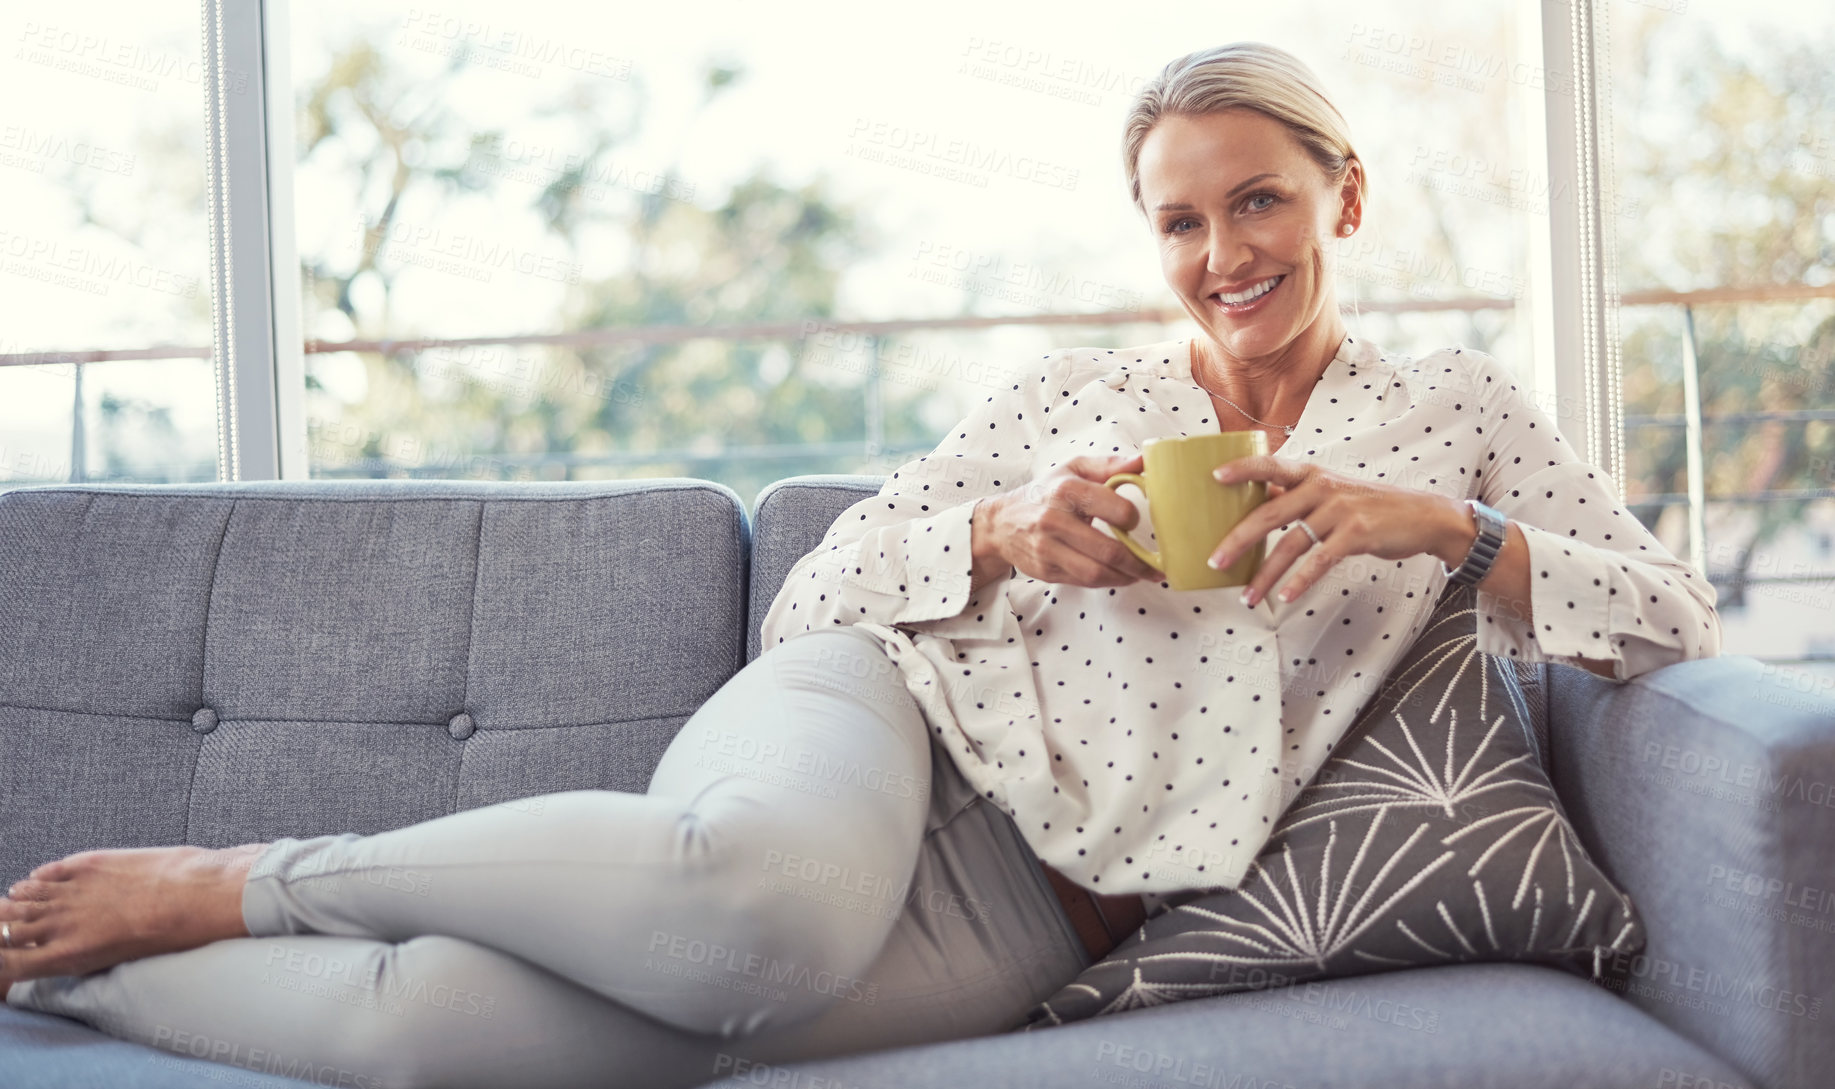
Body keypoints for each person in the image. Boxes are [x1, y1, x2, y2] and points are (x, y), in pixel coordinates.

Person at [0, 41, 1718, 1089]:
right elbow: (823, 582)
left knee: (437, 1041)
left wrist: (1448, 533)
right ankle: (246, 879)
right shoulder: (1078, 398)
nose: (1221, 253)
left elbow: (1668, 615)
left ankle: (78, 967)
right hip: (881, 719)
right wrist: (1000, 535)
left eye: (1256, 203)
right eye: (1181, 221)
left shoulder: (1456, 417)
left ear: (1345, 200)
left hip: (1047, 895)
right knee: (754, 894)